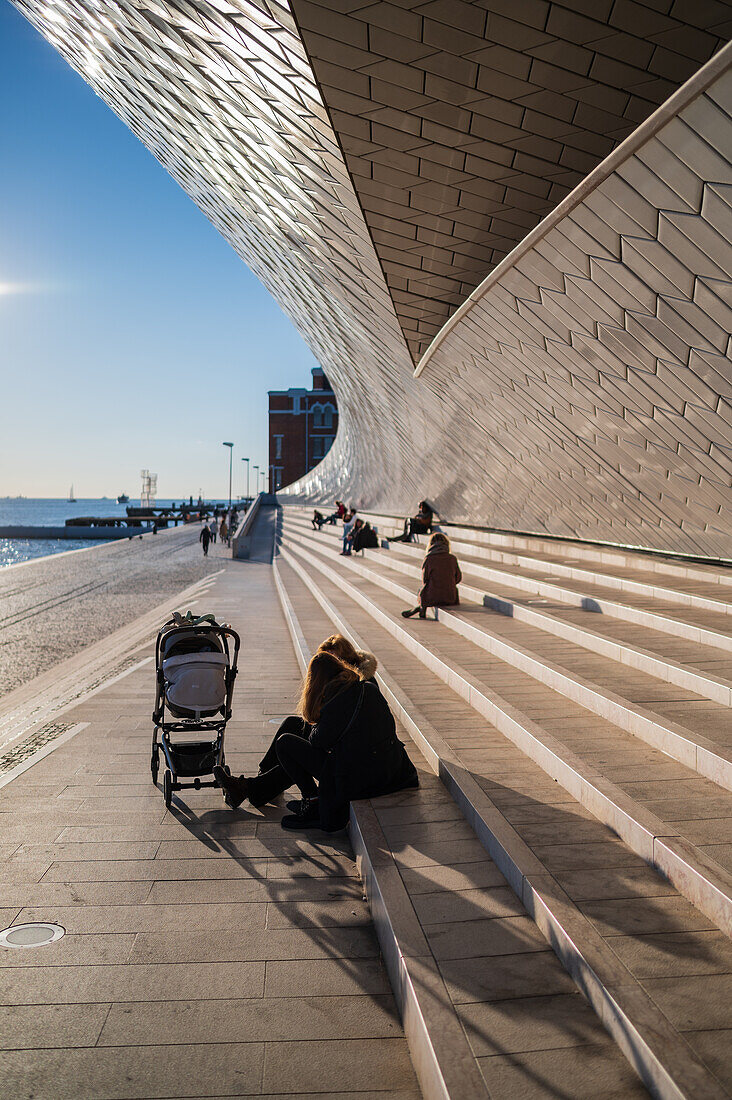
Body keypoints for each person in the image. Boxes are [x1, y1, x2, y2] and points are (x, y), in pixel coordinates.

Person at [214, 642, 416, 830]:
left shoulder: (336, 701)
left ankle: (310, 801)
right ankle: (256, 786)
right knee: (293, 725)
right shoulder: (364, 687)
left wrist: (320, 716)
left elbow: (318, 741)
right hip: (386, 767)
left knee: (287, 744)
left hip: (363, 778)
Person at [402, 531, 462, 619]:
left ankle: (421, 607)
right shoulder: (452, 558)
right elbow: (458, 578)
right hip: (450, 597)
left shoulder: (429, 559)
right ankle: (419, 608)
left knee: (423, 590)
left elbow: (425, 580)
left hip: (432, 597)